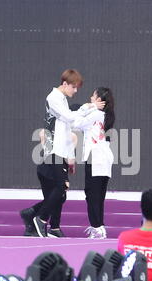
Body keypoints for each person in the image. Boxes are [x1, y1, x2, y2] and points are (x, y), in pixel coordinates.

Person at [20, 69, 104, 238]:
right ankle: (41, 219)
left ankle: (38, 217)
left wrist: (69, 158)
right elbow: (69, 118)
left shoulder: (61, 99)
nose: (75, 91)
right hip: (54, 149)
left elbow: (68, 124)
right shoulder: (54, 98)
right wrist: (92, 106)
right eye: (74, 87)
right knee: (61, 187)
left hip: (59, 150)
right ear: (65, 84)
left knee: (59, 192)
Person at [71, 87, 115, 239]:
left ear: (99, 100)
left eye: (93, 96)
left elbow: (75, 122)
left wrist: (89, 106)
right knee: (98, 195)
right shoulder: (104, 115)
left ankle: (96, 227)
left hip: (95, 157)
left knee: (91, 194)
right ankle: (99, 226)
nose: (90, 97)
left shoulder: (95, 113)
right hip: (104, 157)